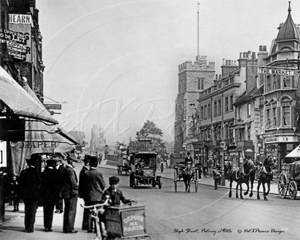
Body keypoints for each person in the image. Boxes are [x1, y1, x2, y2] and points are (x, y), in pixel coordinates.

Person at [18, 159, 41, 233]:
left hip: (26, 194)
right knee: (33, 210)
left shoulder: (24, 172)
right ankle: (31, 227)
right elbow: (40, 185)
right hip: (34, 195)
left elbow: (20, 183)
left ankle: (27, 226)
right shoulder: (37, 173)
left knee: (27, 210)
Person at [84, 156, 106, 233]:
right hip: (98, 196)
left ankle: (89, 228)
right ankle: (97, 229)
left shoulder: (86, 173)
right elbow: (103, 185)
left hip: (89, 196)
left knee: (89, 212)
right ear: (97, 164)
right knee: (98, 212)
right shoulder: (98, 173)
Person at [60, 157, 79, 234]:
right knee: (71, 211)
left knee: (67, 210)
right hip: (72, 193)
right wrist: (77, 188)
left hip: (66, 193)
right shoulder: (70, 170)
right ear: (71, 162)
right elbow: (73, 183)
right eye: (74, 162)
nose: (75, 163)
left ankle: (66, 227)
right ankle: (70, 228)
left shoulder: (65, 169)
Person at [41, 159, 60, 232]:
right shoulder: (56, 173)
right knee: (50, 211)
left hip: (45, 195)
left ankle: (46, 225)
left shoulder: (44, 173)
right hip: (53, 195)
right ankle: (49, 226)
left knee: (45, 211)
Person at [79, 155, 90, 231]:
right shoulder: (85, 171)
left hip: (84, 192)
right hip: (86, 193)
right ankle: (86, 225)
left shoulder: (83, 170)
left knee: (87, 209)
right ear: (88, 163)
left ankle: (85, 225)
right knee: (88, 209)